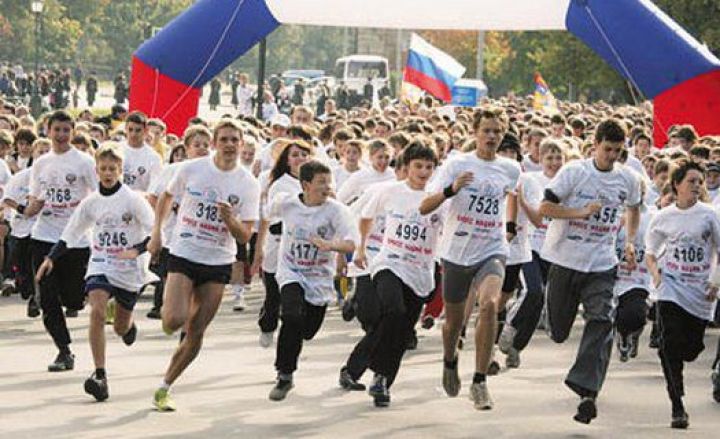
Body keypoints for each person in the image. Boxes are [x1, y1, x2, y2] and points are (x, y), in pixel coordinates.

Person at [148, 119, 260, 411]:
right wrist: (157, 233)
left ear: (241, 144)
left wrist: (230, 220)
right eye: (224, 139)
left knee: (196, 330)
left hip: (218, 260)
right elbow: (166, 197)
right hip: (184, 251)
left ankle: (165, 386)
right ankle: (175, 311)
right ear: (214, 143)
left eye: (234, 140)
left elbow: (245, 235)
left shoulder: (248, 183)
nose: (229, 144)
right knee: (174, 320)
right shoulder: (192, 169)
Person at [539, 118, 641, 424]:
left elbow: (633, 208)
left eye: (618, 151)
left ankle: (587, 392)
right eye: (607, 149)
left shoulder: (628, 179)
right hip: (565, 259)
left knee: (602, 319)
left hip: (601, 263)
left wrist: (630, 241)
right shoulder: (575, 172)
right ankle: (552, 316)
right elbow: (545, 208)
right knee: (559, 331)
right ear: (594, 144)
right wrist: (580, 212)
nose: (612, 156)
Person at [35, 143, 155, 402]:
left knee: (120, 327)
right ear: (97, 170)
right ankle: (100, 375)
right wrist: (50, 258)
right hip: (101, 262)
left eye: (113, 169)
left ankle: (128, 325)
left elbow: (155, 232)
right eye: (103, 169)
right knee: (97, 311)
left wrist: (136, 250)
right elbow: (72, 231)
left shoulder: (133, 200)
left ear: (120, 169)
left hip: (129, 268)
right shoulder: (91, 202)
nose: (108, 173)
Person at [420, 106, 521, 410]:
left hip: (492, 248)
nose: (491, 136)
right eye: (486, 131)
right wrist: (451, 189)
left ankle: (479, 381)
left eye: (497, 131)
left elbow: (512, 197)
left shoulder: (510, 169)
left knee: (489, 304)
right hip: (457, 251)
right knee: (453, 324)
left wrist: (509, 226)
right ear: (475, 133)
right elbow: (425, 206)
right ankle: (450, 359)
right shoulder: (457, 164)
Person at [342, 141, 442, 407]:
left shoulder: (438, 198)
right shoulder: (389, 191)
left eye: (429, 167)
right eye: (418, 166)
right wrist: (361, 248)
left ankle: (380, 380)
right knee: (393, 311)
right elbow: (365, 217)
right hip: (388, 263)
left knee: (401, 330)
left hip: (420, 271)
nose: (423, 172)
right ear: (406, 167)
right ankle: (369, 371)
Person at [267, 160, 357, 401]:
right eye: (321, 182)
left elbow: (351, 243)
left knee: (306, 331)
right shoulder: (287, 203)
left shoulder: (336, 211)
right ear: (305, 185)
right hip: (291, 271)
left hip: (319, 277)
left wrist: (330, 245)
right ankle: (285, 375)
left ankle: (296, 332)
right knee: (292, 316)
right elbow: (267, 212)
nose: (327, 187)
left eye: (329, 182)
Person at [645, 159, 720, 429]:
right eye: (691, 181)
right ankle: (677, 404)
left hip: (700, 290)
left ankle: (687, 357)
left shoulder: (710, 215)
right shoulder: (663, 216)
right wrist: (656, 274)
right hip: (671, 286)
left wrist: (715, 282)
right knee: (668, 344)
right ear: (677, 185)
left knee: (691, 349)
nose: (697, 186)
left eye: (700, 182)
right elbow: (651, 251)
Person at [24, 110, 98, 372]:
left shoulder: (84, 162)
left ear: (73, 132)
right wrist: (29, 209)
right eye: (57, 129)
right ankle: (64, 351)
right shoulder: (41, 163)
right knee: (48, 298)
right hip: (44, 237)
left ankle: (85, 298)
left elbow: (98, 194)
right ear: (48, 130)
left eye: (66, 130)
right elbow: (34, 198)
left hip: (75, 240)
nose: (61, 135)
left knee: (73, 299)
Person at [499, 139, 565, 367]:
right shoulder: (532, 180)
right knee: (533, 290)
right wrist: (523, 203)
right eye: (549, 158)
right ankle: (510, 324)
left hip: (555, 251)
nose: (554, 162)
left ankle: (516, 347)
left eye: (558, 158)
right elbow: (535, 216)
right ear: (540, 159)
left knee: (540, 300)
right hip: (531, 247)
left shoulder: (569, 182)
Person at [146, 125, 212, 320]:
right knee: (170, 279)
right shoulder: (173, 170)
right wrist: (160, 225)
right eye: (197, 145)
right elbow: (154, 196)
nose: (202, 149)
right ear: (187, 148)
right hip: (172, 235)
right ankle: (169, 310)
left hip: (199, 238)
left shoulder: (214, 174)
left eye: (206, 145)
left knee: (194, 285)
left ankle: (185, 322)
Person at [253, 140, 313, 347]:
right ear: (287, 161)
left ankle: (292, 327)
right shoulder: (279, 184)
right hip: (278, 246)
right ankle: (268, 325)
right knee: (273, 296)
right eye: (295, 155)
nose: (300, 158)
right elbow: (272, 216)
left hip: (303, 251)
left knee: (295, 297)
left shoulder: (316, 181)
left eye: (304, 154)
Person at [2, 138, 50, 317]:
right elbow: (7, 198)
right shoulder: (22, 177)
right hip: (21, 229)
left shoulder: (57, 177)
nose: (43, 155)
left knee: (38, 266)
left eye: (47, 152)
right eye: (40, 152)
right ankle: (25, 287)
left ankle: (36, 299)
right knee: (23, 267)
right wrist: (23, 209)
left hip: (45, 230)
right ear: (33, 154)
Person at [121, 112, 163, 193]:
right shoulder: (116, 150)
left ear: (145, 130)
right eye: (130, 129)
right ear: (125, 129)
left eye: (138, 130)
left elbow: (154, 188)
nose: (133, 134)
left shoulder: (154, 158)